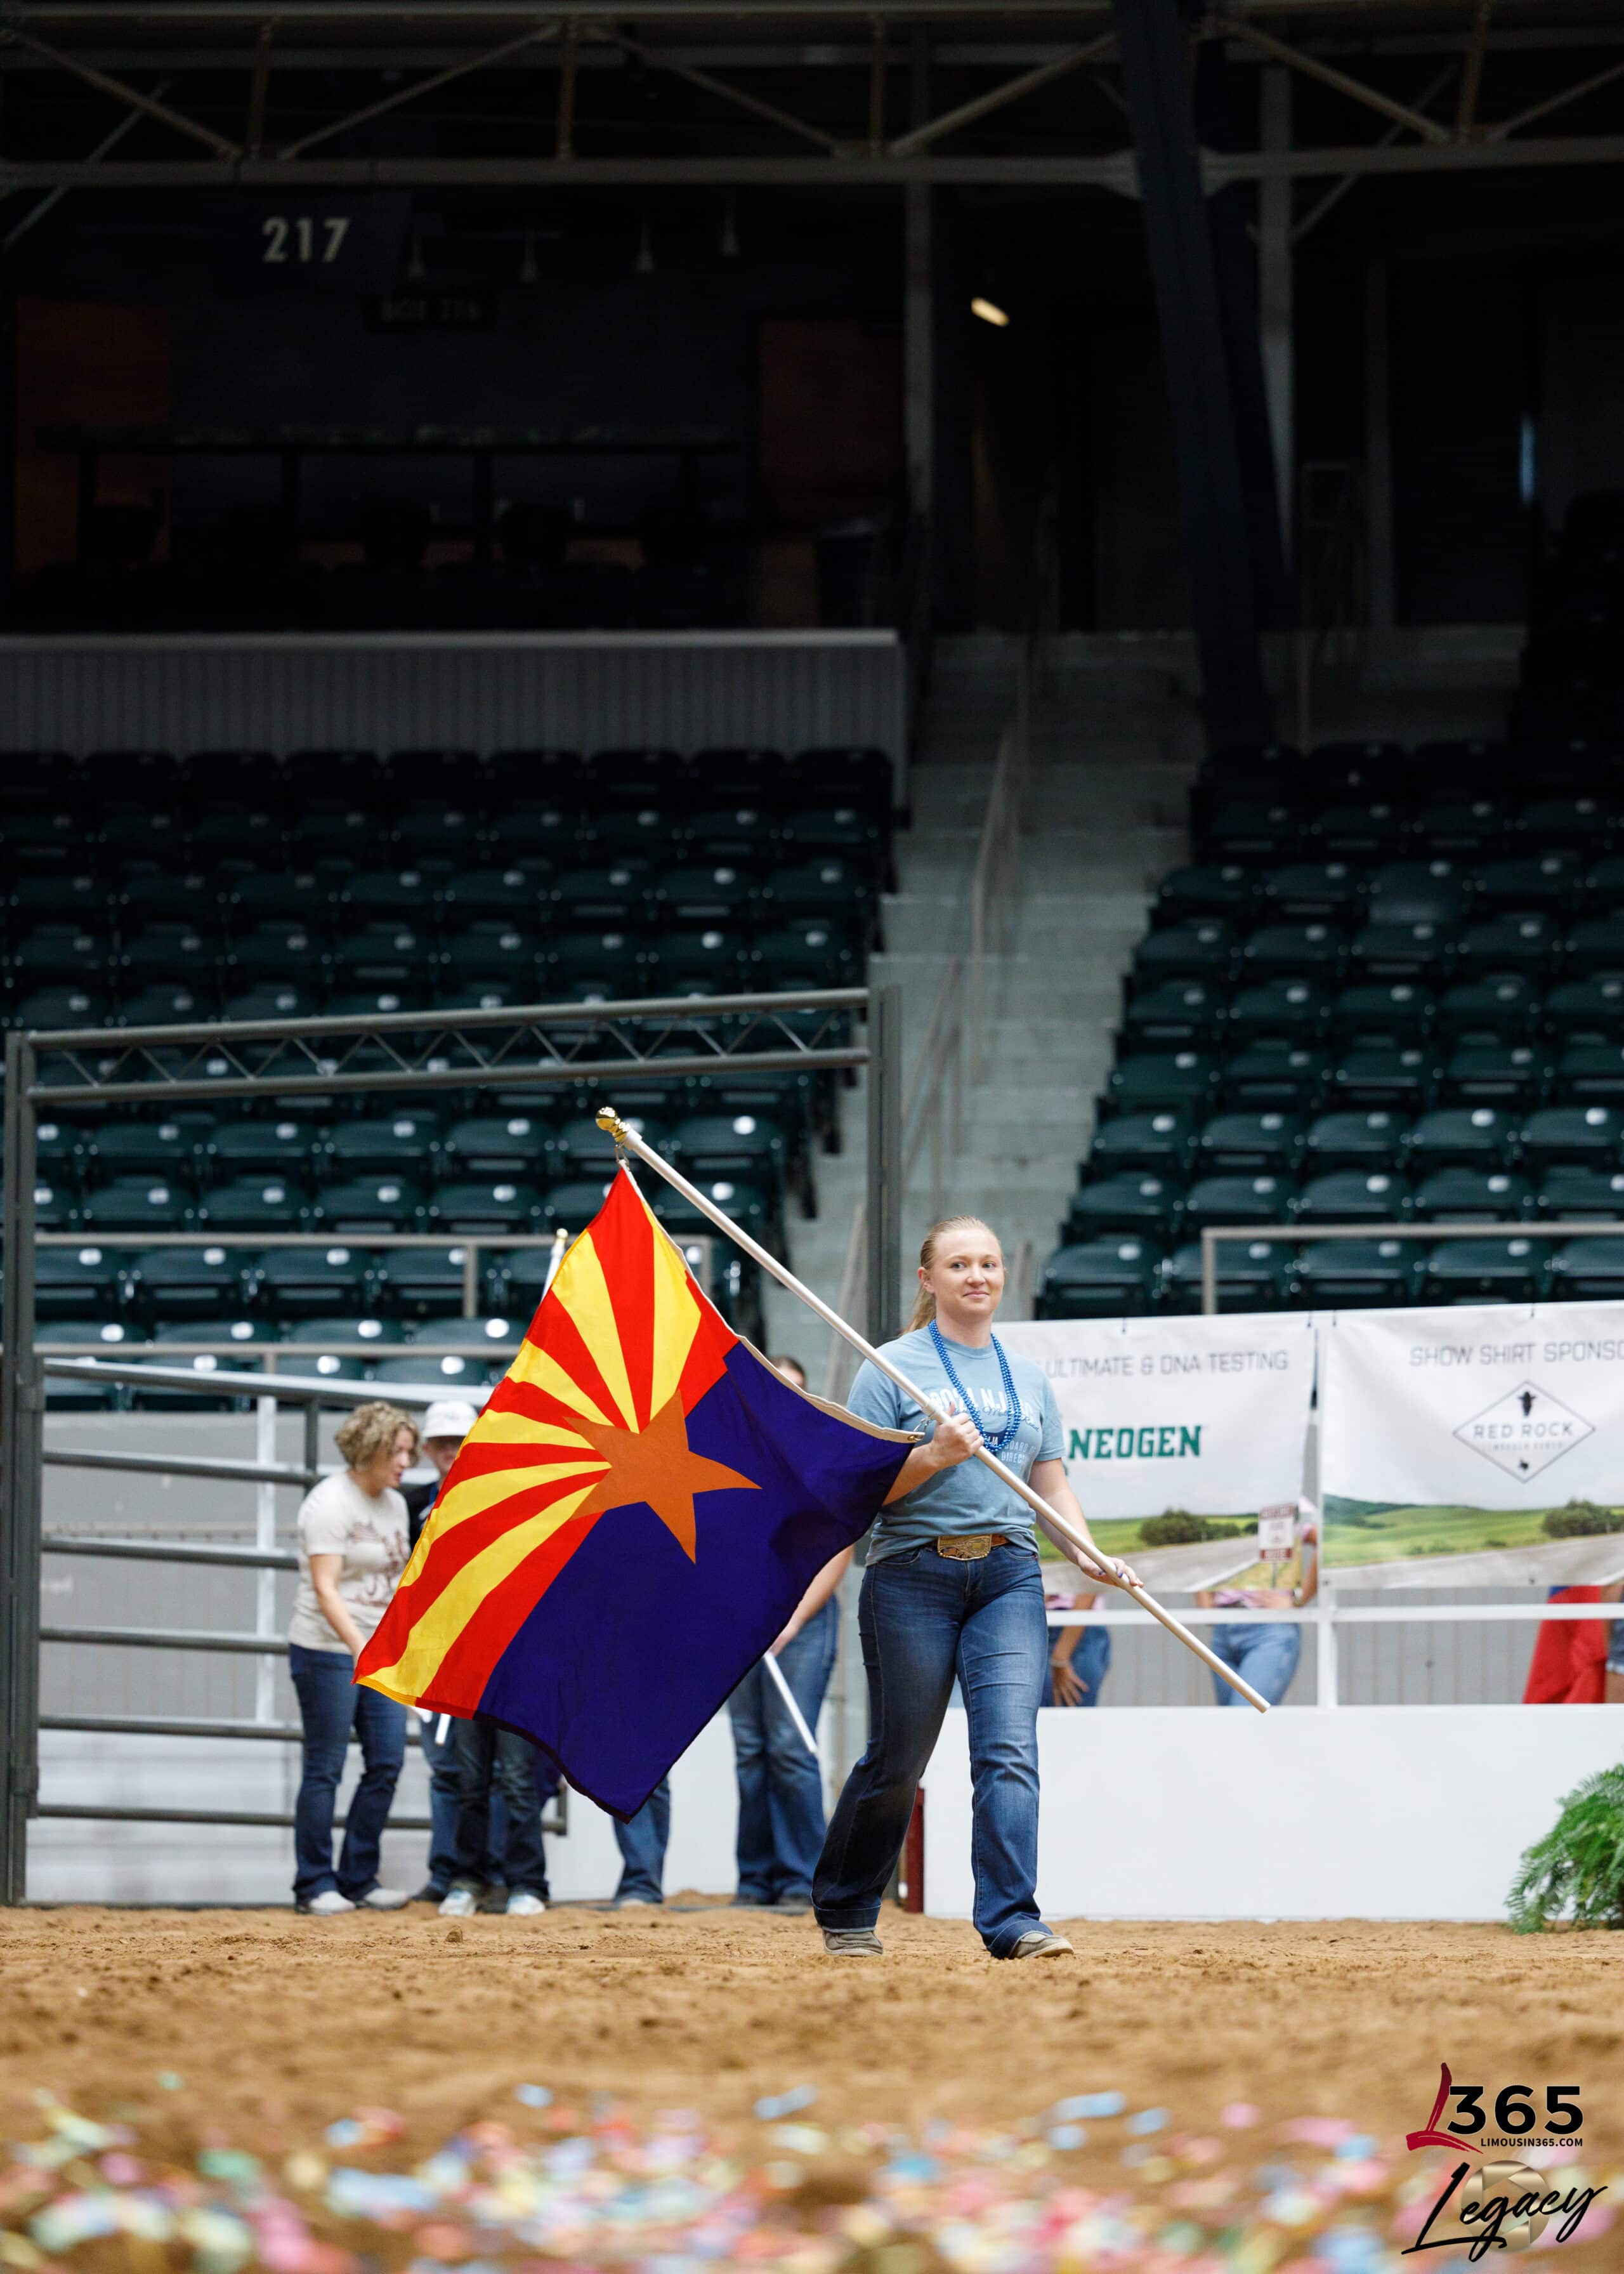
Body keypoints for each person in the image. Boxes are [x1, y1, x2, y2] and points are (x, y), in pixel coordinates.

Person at [811, 1214, 1136, 1962]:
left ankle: (1012, 1918)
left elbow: (1049, 1480)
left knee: (1009, 1748)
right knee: (899, 1754)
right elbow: (856, 1493)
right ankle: (847, 1905)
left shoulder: (1029, 1376)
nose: (978, 1276)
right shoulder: (885, 1366)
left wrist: (1085, 1552)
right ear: (929, 1280)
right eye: (959, 1264)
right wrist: (931, 1456)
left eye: (988, 1262)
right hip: (909, 1576)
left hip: (1008, 1574)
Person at [728, 1351, 848, 1916]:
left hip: (803, 1620)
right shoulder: (731, 1456)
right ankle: (755, 1879)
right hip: (744, 1619)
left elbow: (839, 1550)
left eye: (792, 1387)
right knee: (750, 1750)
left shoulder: (823, 1460)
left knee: (791, 1747)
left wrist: (793, 1618)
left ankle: (803, 1878)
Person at [288, 1400, 419, 1916]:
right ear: (371, 1450)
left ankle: (359, 1877)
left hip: (377, 1651)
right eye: (400, 1451)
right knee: (326, 1767)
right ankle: (314, 1884)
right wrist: (362, 1649)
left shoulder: (394, 1504)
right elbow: (326, 1589)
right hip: (326, 1650)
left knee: (386, 1761)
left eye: (409, 1452)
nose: (407, 1463)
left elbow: (398, 1580)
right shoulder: (329, 1505)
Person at [400, 1398, 481, 1904]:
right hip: (434, 1652)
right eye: (442, 1444)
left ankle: (485, 1873)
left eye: (459, 1442)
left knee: (488, 1770)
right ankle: (446, 1872)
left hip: (485, 1653)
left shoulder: (501, 1495)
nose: (451, 1452)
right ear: (428, 1449)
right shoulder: (411, 1505)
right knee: (445, 1767)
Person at [1197, 1512, 1318, 1708]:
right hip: (1223, 1628)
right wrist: (1206, 1601)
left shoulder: (1285, 1498)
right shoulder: (1219, 1502)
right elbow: (1199, 1552)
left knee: (1244, 1716)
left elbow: (1326, 1540)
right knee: (1229, 1723)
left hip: (1268, 1629)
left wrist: (1298, 1598)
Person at [1045, 1587, 1110, 1707]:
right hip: (1048, 1620)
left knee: (1070, 1712)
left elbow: (1089, 1584)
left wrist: (1061, 1657)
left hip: (1077, 1628)